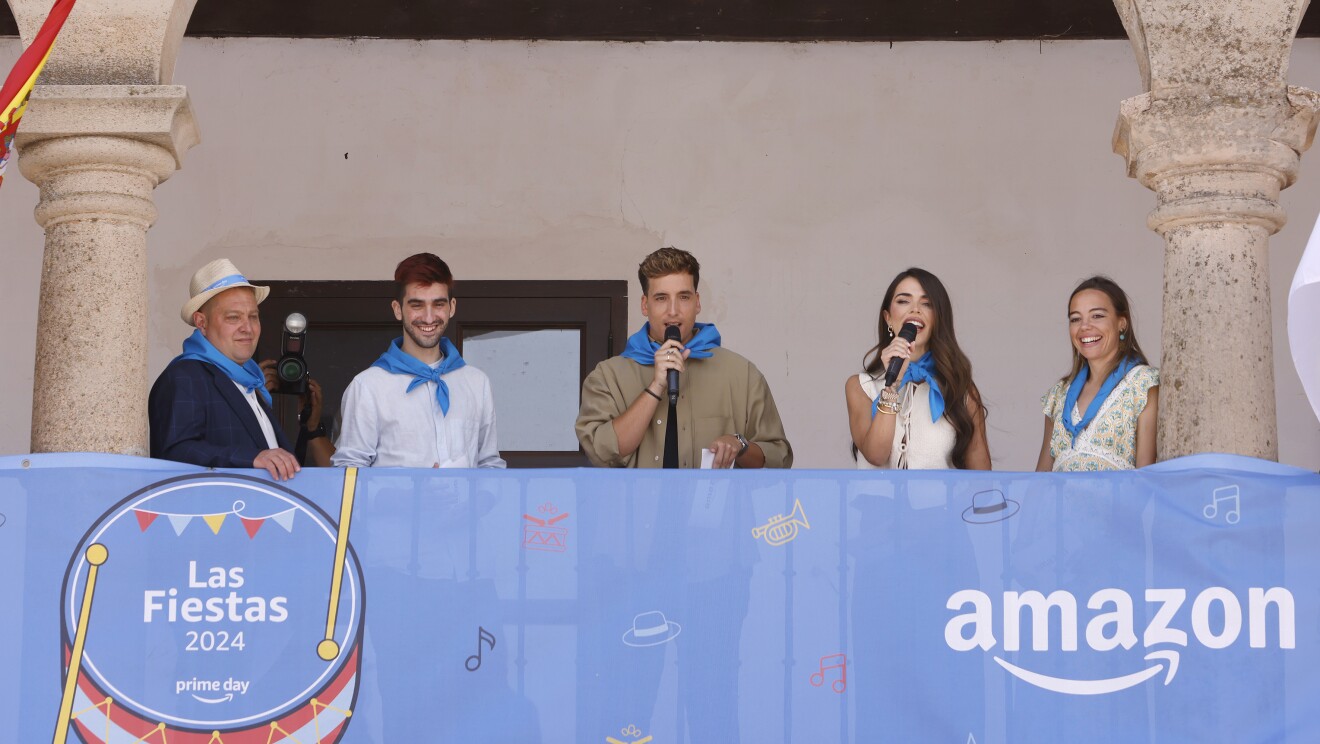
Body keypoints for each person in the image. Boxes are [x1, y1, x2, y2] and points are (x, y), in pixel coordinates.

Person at [575, 247, 792, 469]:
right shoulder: (607, 377)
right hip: (639, 504)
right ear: (644, 304)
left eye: (684, 297)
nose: (673, 311)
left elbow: (779, 456)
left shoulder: (742, 374)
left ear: (697, 302)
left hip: (714, 504)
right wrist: (655, 386)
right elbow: (600, 453)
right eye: (661, 298)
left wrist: (740, 445)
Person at [332, 253, 505, 468]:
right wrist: (415, 491)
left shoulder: (477, 383)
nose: (429, 317)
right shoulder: (367, 386)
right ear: (398, 309)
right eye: (417, 305)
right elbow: (349, 471)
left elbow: (489, 464)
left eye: (438, 304)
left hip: (464, 503)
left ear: (452, 307)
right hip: (394, 504)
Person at [149, 258, 301, 480]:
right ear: (202, 323)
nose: (247, 328)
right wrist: (253, 457)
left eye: (253, 317)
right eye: (233, 318)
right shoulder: (185, 376)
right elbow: (174, 452)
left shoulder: (249, 379)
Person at [844, 268, 991, 469]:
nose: (915, 309)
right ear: (887, 317)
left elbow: (982, 479)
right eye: (904, 301)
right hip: (877, 501)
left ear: (939, 317)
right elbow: (876, 455)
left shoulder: (961, 391)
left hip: (939, 501)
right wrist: (892, 384)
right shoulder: (861, 386)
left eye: (927, 303)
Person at [1036, 276, 1159, 471]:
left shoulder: (1144, 384)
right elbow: (1041, 480)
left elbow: (1146, 478)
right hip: (1062, 502)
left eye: (1097, 316)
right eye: (1075, 319)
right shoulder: (1058, 395)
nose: (1084, 326)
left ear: (1122, 323)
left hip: (1119, 502)